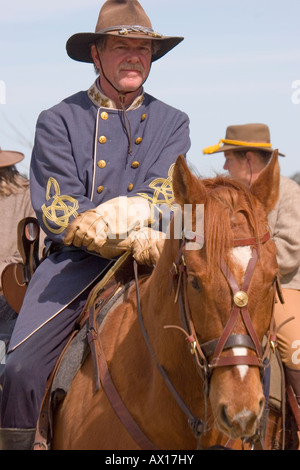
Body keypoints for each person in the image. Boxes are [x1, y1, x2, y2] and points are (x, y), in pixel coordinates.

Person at [0, 0, 190, 449]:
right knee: (21, 371)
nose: (133, 57)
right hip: (76, 267)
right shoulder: (57, 120)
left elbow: (164, 191)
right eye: (121, 46)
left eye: (142, 49)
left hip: (155, 259)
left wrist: (145, 227)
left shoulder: (173, 121)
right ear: (96, 55)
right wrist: (120, 229)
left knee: (232, 349)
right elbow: (61, 207)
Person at [203, 123, 300, 433]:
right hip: (234, 290)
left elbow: (289, 250)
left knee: (295, 348)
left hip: (283, 287)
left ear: (247, 160)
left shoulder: (289, 193)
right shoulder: (227, 198)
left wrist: (249, 270)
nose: (223, 166)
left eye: (228, 158)